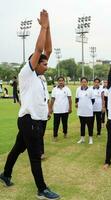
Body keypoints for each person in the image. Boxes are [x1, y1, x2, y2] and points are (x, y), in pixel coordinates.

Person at [0, 10, 60, 200]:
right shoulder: (26, 73)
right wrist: (42, 28)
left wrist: (49, 28)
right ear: (34, 64)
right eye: (43, 64)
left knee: (18, 148)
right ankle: (41, 189)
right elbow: (40, 50)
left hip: (38, 120)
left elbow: (48, 51)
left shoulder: (41, 77)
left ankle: (5, 174)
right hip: (29, 121)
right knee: (35, 156)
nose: (46, 66)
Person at [50, 76, 72, 141]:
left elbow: (70, 99)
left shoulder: (67, 89)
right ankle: (55, 136)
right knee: (56, 124)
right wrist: (50, 108)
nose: (61, 82)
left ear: (64, 81)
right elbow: (52, 100)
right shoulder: (54, 89)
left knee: (65, 123)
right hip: (56, 110)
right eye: (59, 81)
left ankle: (65, 133)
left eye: (62, 81)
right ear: (57, 82)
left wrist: (70, 108)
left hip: (65, 110)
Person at [76, 77, 95, 144]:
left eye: (85, 82)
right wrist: (77, 104)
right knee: (82, 125)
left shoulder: (90, 90)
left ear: (87, 82)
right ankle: (82, 138)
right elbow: (77, 99)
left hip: (88, 112)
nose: (83, 83)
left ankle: (90, 139)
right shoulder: (78, 89)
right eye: (82, 82)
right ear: (80, 82)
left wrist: (88, 106)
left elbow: (93, 100)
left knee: (90, 126)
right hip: (81, 111)